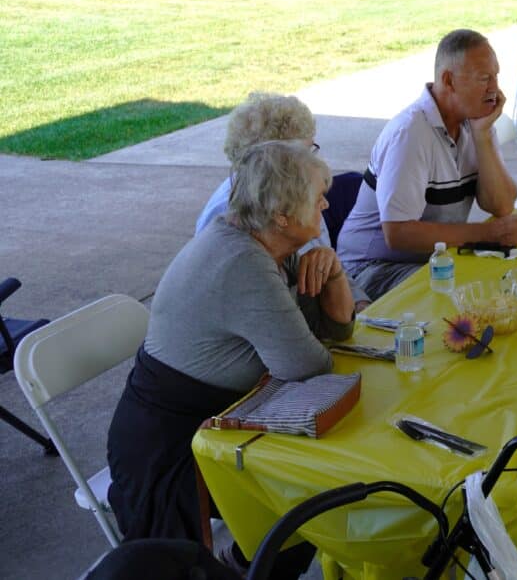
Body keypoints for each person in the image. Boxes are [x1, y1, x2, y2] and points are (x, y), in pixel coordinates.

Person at [106, 141, 355, 577]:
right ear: (282, 215)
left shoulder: (266, 243)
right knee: (301, 501)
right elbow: (309, 366)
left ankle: (247, 564)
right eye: (318, 195)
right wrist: (326, 312)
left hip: (225, 421)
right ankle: (248, 568)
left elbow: (336, 330)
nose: (327, 202)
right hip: (171, 446)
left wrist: (332, 271)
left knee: (301, 501)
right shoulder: (243, 261)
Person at [336, 29, 517, 300]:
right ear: (449, 80)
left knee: (506, 282)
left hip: (431, 259)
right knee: (471, 295)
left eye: (496, 76)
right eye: (484, 78)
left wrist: (482, 136)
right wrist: (486, 233)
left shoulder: (476, 121)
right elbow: (398, 233)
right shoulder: (410, 133)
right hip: (371, 269)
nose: (496, 89)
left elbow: (501, 206)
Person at [195, 92, 371, 310]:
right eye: (306, 152)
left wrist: (359, 302)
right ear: (275, 161)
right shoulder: (235, 213)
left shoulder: (296, 191)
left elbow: (328, 261)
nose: (313, 161)